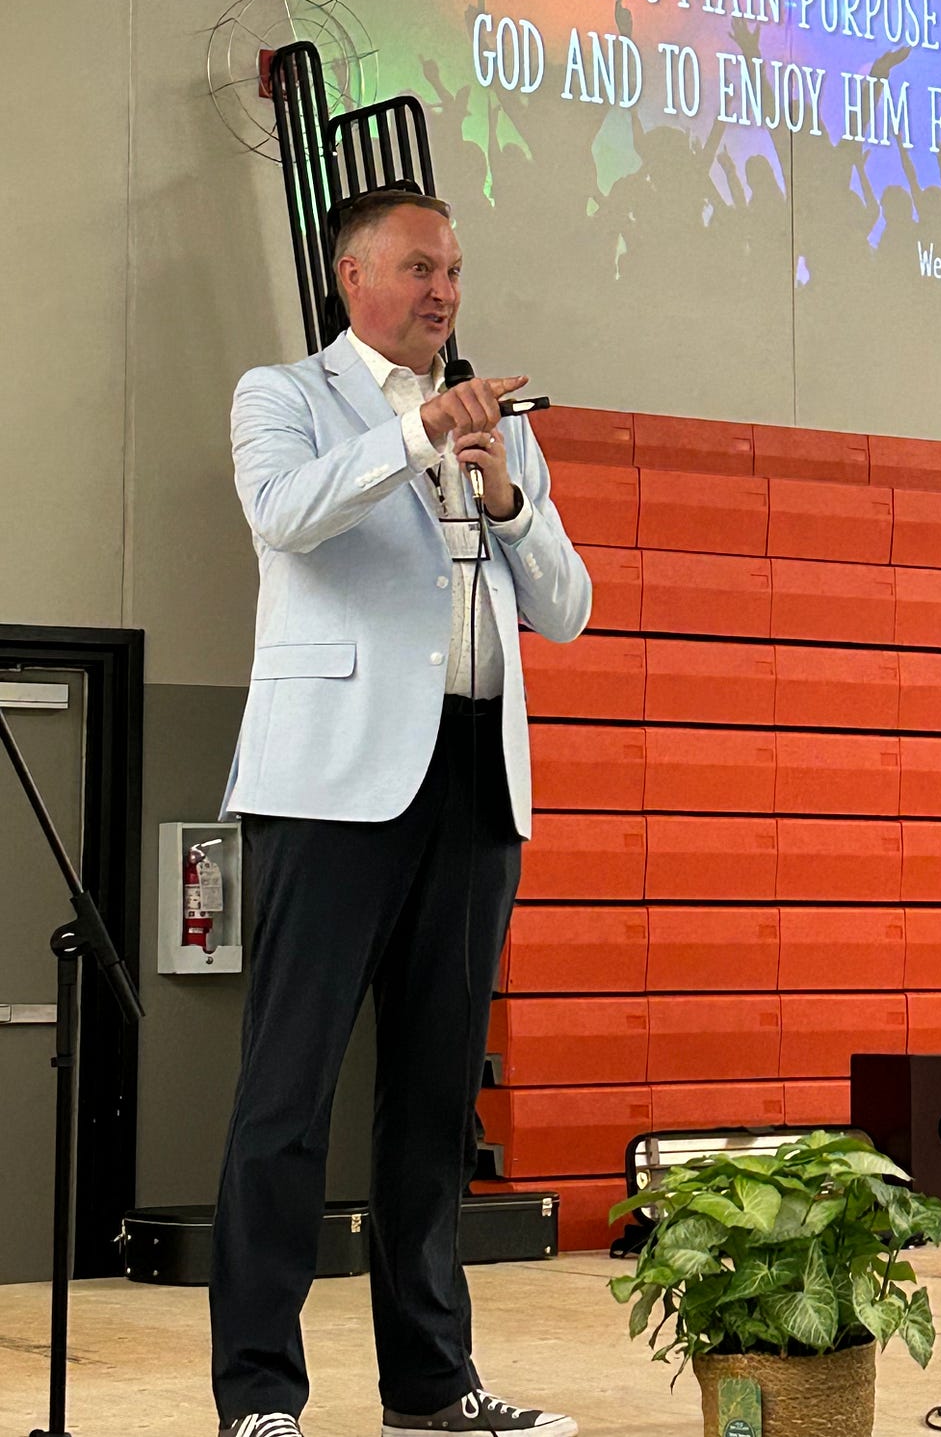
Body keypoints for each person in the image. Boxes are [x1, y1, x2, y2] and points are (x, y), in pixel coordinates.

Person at [210, 187, 591, 1437]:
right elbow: (285, 516)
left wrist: (503, 496)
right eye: (421, 269)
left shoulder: (502, 425)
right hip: (329, 789)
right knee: (287, 1098)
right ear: (353, 277)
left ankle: (431, 1386)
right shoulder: (282, 396)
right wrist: (413, 435)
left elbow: (568, 607)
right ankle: (258, 1395)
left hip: (474, 782)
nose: (444, 293)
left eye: (456, 273)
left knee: (434, 1104)